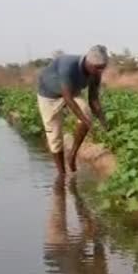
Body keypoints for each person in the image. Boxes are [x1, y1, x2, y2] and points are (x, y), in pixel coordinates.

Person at [37, 45, 111, 176]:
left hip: (72, 92)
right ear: (88, 63)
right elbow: (68, 97)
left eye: (102, 68)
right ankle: (62, 174)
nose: (99, 71)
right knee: (54, 136)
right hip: (49, 95)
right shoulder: (68, 65)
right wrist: (86, 122)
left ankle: (72, 155)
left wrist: (103, 121)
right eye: (97, 68)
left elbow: (93, 99)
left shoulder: (96, 73)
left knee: (86, 114)